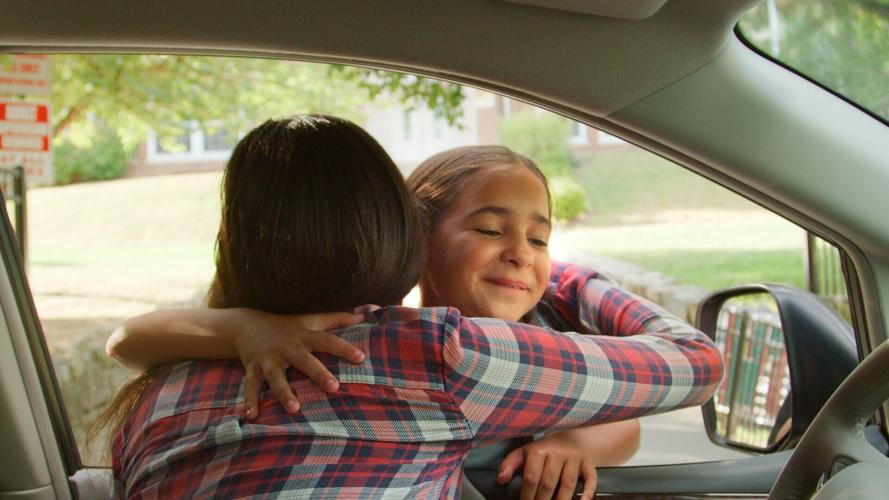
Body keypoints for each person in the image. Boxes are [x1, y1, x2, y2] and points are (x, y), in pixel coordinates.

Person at [104, 114, 723, 499]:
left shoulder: (155, 397)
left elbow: (127, 339)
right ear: (410, 238)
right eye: (490, 231)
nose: (521, 255)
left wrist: (241, 326)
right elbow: (697, 364)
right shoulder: (441, 356)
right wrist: (573, 278)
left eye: (540, 240)